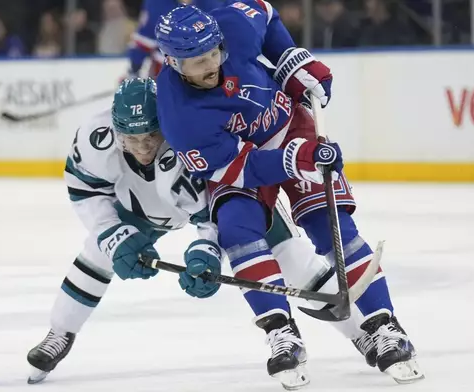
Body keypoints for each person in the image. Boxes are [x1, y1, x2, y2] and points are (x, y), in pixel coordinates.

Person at [154, 0, 423, 387]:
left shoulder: (231, 25)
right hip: (244, 161)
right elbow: (242, 170)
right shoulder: (180, 117)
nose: (211, 64)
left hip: (289, 125)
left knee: (329, 223)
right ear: (173, 62)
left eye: (214, 52)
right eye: (197, 61)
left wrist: (290, 59)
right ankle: (282, 334)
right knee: (237, 230)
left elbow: (265, 11)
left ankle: (386, 326)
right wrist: (298, 159)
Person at [26, 77, 358, 387]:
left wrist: (206, 250)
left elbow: (216, 208)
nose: (142, 148)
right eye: (132, 139)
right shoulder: (96, 137)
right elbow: (85, 191)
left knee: (293, 259)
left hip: (227, 194)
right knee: (97, 251)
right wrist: (113, 233)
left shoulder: (191, 130)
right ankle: (60, 332)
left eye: (151, 137)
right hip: (141, 203)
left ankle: (364, 331)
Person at [125, 0, 223, 79]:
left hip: (211, 67)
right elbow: (144, 39)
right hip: (166, 73)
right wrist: (134, 69)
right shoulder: (156, 3)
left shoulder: (213, 3)